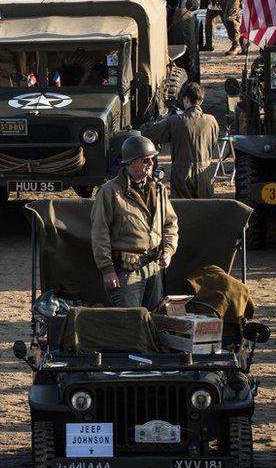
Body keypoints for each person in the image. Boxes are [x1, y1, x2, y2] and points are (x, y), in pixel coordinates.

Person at [91, 135, 179, 309]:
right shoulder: (109, 192)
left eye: (153, 159)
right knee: (129, 323)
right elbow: (99, 233)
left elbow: (170, 223)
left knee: (154, 320)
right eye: (145, 160)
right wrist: (107, 270)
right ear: (130, 163)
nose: (151, 164)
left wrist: (168, 250)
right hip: (126, 270)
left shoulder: (158, 189)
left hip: (154, 267)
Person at [142, 82, 220, 199]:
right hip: (205, 173)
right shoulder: (211, 121)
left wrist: (164, 119)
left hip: (182, 174)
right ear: (201, 100)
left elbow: (149, 133)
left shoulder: (175, 121)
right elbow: (213, 143)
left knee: (183, 212)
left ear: (186, 99)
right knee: (205, 212)